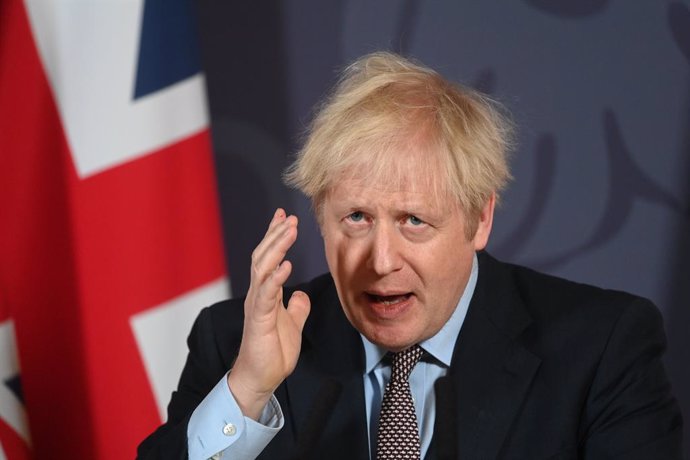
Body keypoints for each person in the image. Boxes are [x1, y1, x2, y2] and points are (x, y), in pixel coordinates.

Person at [137, 52, 683, 460]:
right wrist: (248, 393)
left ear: (480, 219)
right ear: (320, 217)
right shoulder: (234, 341)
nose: (381, 262)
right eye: (356, 219)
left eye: (414, 221)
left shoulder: (602, 348)